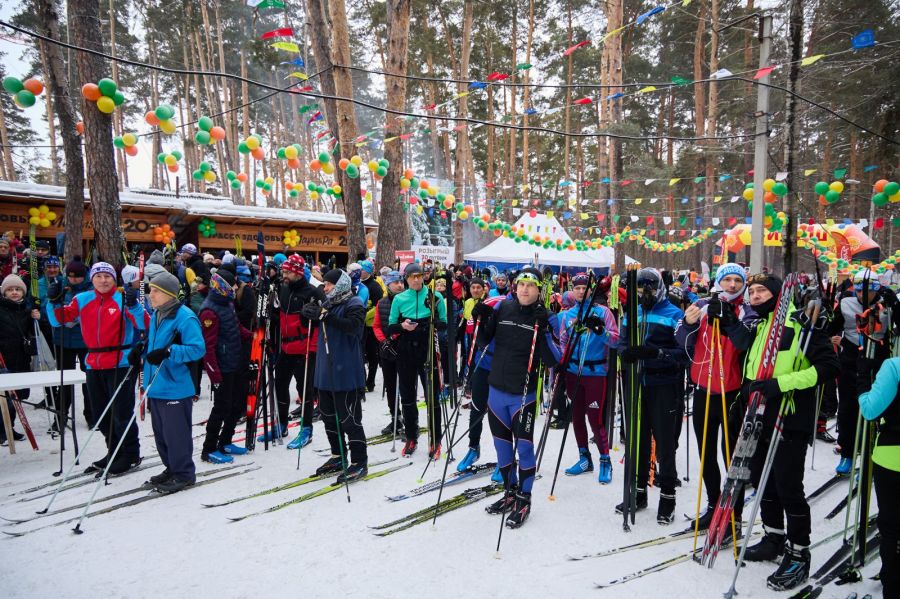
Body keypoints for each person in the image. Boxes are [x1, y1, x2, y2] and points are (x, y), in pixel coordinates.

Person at [730, 274, 839, 591]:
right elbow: (753, 370)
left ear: (778, 294)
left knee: (788, 486)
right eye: (751, 292)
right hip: (760, 416)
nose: (754, 296)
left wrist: (781, 384)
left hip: (789, 418)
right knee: (764, 482)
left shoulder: (801, 324)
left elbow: (828, 367)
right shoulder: (759, 325)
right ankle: (774, 537)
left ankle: (799, 553)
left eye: (761, 290)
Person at [473, 267, 560, 528]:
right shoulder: (503, 309)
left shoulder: (544, 316)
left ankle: (524, 498)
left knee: (524, 447)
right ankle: (510, 492)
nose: (525, 289)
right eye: (521, 284)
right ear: (515, 286)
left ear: (539, 290)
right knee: (501, 448)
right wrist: (482, 318)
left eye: (531, 286)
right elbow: (483, 341)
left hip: (523, 397)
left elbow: (554, 360)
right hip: (496, 393)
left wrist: (544, 330)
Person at [675, 263, 758, 533]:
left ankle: (733, 514)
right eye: (727, 280)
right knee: (706, 453)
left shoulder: (748, 310)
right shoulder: (701, 304)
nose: (732, 285)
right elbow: (680, 339)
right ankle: (713, 506)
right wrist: (688, 323)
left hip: (732, 392)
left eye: (737, 280)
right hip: (703, 389)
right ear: (719, 281)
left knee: (731, 455)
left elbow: (746, 343)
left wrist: (730, 322)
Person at [48, 262, 146, 475]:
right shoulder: (82, 299)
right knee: (101, 413)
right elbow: (58, 321)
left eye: (108, 276)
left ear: (114, 279)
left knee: (121, 413)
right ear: (91, 279)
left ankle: (130, 454)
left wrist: (135, 306)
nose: (103, 280)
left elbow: (143, 324)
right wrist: (52, 301)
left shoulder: (122, 299)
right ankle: (114, 451)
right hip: (93, 362)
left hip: (119, 362)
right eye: (99, 276)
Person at [616, 267, 688, 525]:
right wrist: (624, 352)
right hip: (636, 383)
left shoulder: (674, 314)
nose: (645, 294)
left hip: (664, 385)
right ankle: (639, 492)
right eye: (639, 289)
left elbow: (684, 354)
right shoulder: (631, 313)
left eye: (650, 289)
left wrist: (656, 354)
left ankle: (668, 496)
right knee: (637, 440)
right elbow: (623, 342)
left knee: (665, 443)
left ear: (660, 289)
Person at [130, 270, 205, 493]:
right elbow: (155, 345)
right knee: (162, 434)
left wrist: (169, 352)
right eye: (150, 290)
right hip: (156, 384)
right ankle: (171, 468)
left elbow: (197, 349)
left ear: (169, 294)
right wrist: (141, 352)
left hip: (176, 386)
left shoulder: (185, 317)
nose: (150, 295)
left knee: (176, 435)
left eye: (155, 291)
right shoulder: (157, 314)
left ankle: (184, 474)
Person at [303, 269, 368, 481]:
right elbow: (318, 320)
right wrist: (309, 313)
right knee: (329, 418)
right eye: (325, 284)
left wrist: (326, 316)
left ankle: (359, 461)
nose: (326, 288)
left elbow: (354, 328)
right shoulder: (328, 304)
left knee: (350, 420)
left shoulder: (354, 303)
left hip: (346, 371)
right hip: (325, 370)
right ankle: (338, 455)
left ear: (340, 285)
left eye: (329, 284)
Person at [828, 269, 893, 475]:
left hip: (878, 359)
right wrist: (826, 318)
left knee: (876, 407)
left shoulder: (886, 303)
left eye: (869, 293)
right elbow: (832, 327)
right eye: (858, 291)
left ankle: (871, 453)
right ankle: (847, 452)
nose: (863, 296)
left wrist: (896, 306)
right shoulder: (846, 302)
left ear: (877, 290)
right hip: (851, 360)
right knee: (848, 407)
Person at [560, 273, 620, 484]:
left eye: (584, 288)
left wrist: (600, 330)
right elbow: (562, 342)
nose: (580, 291)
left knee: (595, 419)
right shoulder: (568, 315)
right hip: (573, 373)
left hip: (595, 373)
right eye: (576, 288)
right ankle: (584, 458)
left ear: (590, 289)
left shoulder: (603, 312)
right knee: (576, 417)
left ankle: (605, 459)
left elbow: (615, 341)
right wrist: (560, 364)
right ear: (572, 290)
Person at [388, 263, 447, 457]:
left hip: (427, 347)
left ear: (424, 277)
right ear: (406, 279)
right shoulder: (399, 298)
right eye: (412, 276)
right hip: (405, 349)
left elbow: (444, 323)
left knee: (432, 396)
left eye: (419, 276)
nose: (415, 280)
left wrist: (428, 325)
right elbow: (390, 326)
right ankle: (412, 436)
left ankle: (435, 439)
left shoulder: (435, 297)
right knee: (407, 396)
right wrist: (402, 326)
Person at [270, 254, 325, 447]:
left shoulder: (313, 292)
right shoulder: (284, 289)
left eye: (287, 272)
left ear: (298, 272)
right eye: (283, 271)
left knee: (305, 391)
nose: (283, 274)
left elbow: (325, 316)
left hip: (305, 349)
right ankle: (282, 424)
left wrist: (316, 315)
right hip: (286, 347)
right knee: (279, 385)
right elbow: (281, 316)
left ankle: (306, 429)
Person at [856, 355, 900, 599]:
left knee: (893, 530)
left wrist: (862, 381)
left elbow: (870, 410)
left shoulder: (894, 366)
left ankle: (893, 585)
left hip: (892, 458)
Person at [198, 272, 252, 463]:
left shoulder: (227, 303)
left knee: (236, 406)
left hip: (234, 362)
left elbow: (236, 327)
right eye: (233, 286)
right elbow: (208, 347)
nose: (236, 288)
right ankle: (209, 448)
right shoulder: (209, 311)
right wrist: (215, 376)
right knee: (221, 408)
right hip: (221, 368)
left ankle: (225, 441)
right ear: (222, 285)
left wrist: (253, 336)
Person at [44, 257, 92, 431]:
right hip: (63, 339)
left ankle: (92, 415)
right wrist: (52, 300)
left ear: (84, 275)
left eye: (77, 276)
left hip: (86, 340)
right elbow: (52, 317)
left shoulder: (91, 288)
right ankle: (60, 417)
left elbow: (94, 313)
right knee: (64, 381)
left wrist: (75, 318)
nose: (74, 279)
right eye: (71, 276)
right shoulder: (61, 286)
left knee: (89, 380)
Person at [0, 274, 39, 444]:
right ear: (4, 293)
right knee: (5, 398)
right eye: (10, 290)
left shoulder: (25, 310)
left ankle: (10, 428)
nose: (14, 292)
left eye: (17, 289)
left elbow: (35, 332)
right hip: (3, 358)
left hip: (21, 357)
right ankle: (2, 432)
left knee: (19, 394)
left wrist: (37, 318)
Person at [372, 270, 405, 435]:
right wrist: (383, 341)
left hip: (404, 349)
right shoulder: (382, 303)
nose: (399, 285)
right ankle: (395, 417)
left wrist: (393, 337)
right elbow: (376, 325)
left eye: (401, 282)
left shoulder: (408, 301)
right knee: (391, 387)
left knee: (406, 387)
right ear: (388, 285)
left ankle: (408, 418)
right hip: (387, 351)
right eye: (395, 283)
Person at [358, 259, 384, 392]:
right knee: (361, 354)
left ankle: (371, 382)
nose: (360, 272)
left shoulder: (375, 286)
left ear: (368, 271)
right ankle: (361, 381)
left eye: (363, 270)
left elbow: (378, 306)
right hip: (361, 326)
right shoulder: (358, 284)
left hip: (371, 325)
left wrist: (364, 315)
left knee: (372, 355)